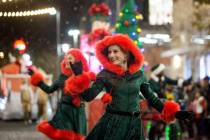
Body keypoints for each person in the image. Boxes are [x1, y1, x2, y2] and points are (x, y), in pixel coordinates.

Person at [64, 34, 193, 140]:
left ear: (126, 54)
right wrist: (79, 76)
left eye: (115, 51)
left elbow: (152, 98)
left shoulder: (139, 75)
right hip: (113, 124)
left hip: (135, 126)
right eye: (109, 52)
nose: (111, 55)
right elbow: (88, 96)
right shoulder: (105, 75)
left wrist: (173, 112)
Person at [29, 48, 95, 140]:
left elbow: (87, 95)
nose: (67, 61)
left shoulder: (85, 77)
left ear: (77, 60)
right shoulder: (62, 77)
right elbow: (49, 89)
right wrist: (37, 79)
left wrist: (79, 77)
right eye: (66, 58)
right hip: (64, 112)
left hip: (78, 113)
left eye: (70, 58)